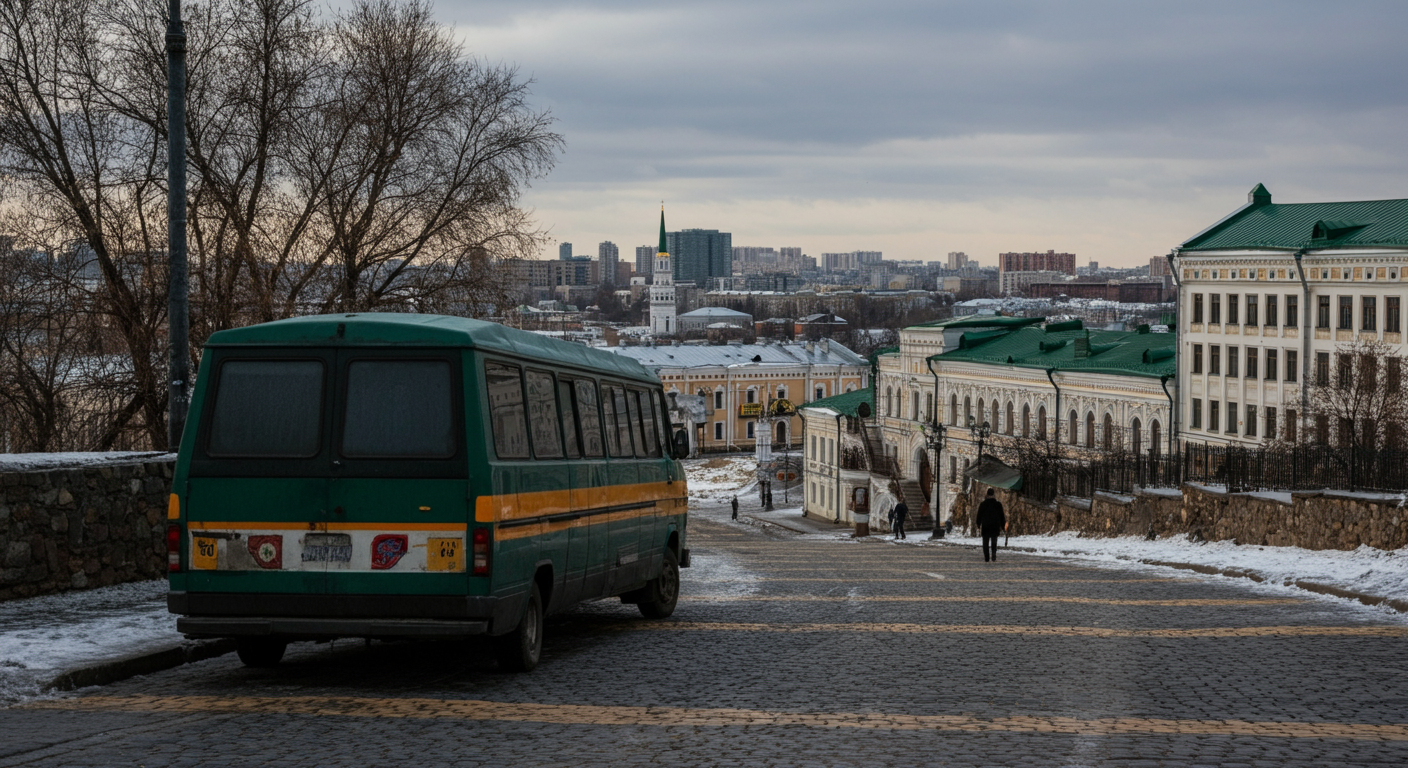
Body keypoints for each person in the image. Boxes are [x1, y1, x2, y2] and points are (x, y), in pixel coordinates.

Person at [975, 488, 1006, 562]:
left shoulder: (983, 504)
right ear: (993, 495)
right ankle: (993, 553)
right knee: (994, 541)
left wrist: (978, 523)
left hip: (986, 525)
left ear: (987, 494)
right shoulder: (998, 504)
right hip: (995, 525)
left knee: (985, 542)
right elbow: (1002, 516)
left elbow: (979, 515)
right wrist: (1003, 525)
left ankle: (986, 557)